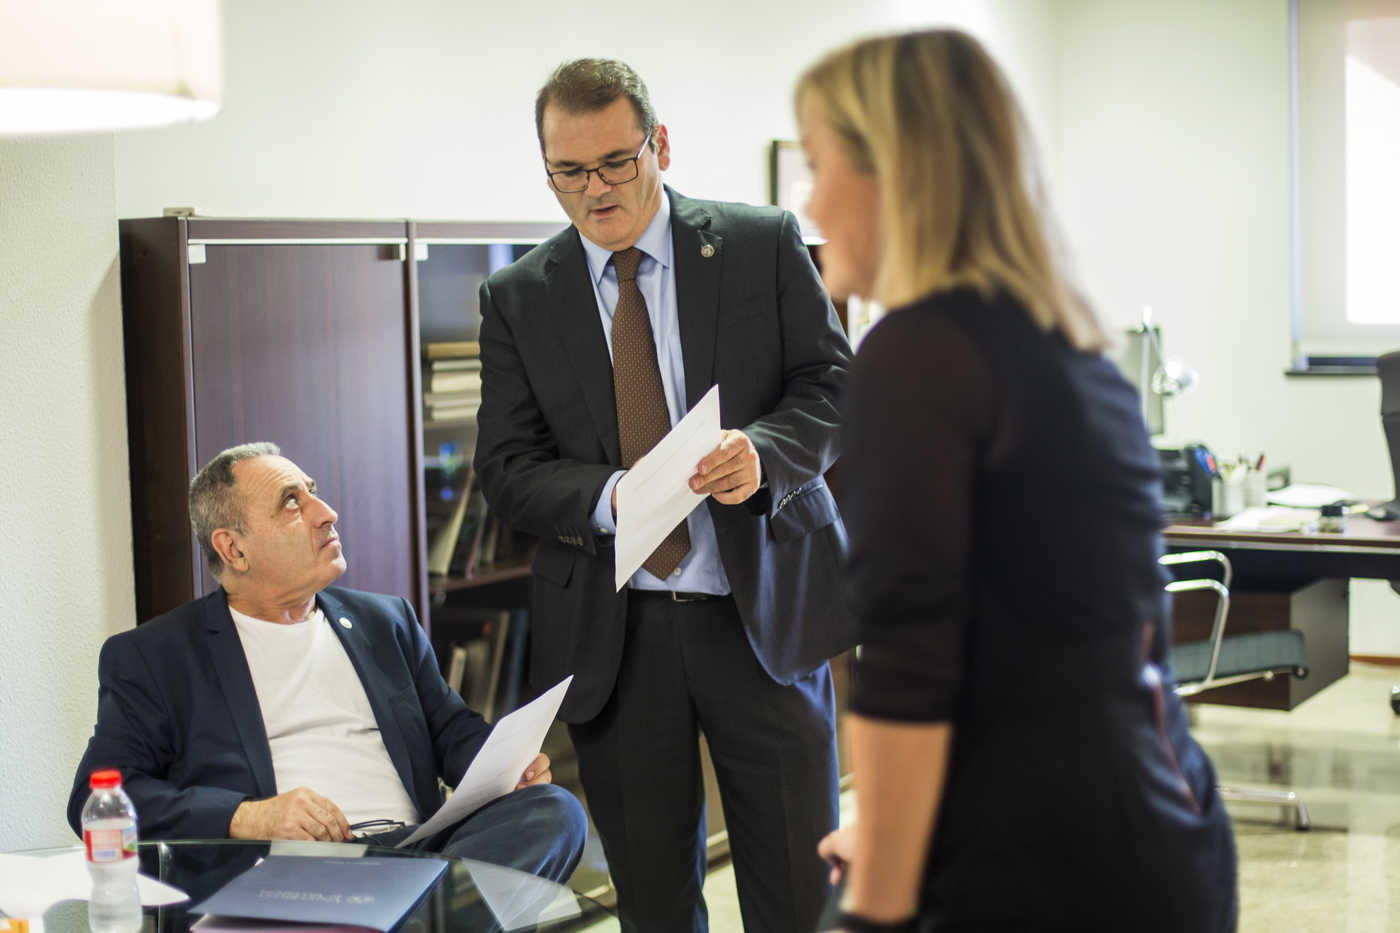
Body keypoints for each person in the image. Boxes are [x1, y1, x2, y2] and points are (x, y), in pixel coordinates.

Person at [795, 30, 1238, 933]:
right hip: (1156, 825)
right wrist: (901, 829)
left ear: (894, 173)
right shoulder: (1067, 348)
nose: (810, 201)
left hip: (1048, 867)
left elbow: (911, 661)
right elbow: (1028, 649)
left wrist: (876, 901)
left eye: (818, 163)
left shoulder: (915, 356)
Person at [473, 58, 855, 932]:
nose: (596, 189)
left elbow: (833, 386)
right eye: (570, 171)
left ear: (661, 144)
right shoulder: (519, 296)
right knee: (652, 901)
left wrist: (764, 453)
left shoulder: (759, 243)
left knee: (800, 888)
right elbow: (506, 465)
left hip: (758, 614)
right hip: (619, 635)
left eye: (616, 161)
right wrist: (612, 498)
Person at [68, 442, 586, 882]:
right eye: (292, 503)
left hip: (416, 853)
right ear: (234, 549)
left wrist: (502, 768)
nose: (326, 512)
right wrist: (247, 817)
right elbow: (98, 801)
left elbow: (451, 732)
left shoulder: (386, 621)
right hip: (288, 871)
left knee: (554, 811)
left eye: (312, 491)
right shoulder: (157, 656)